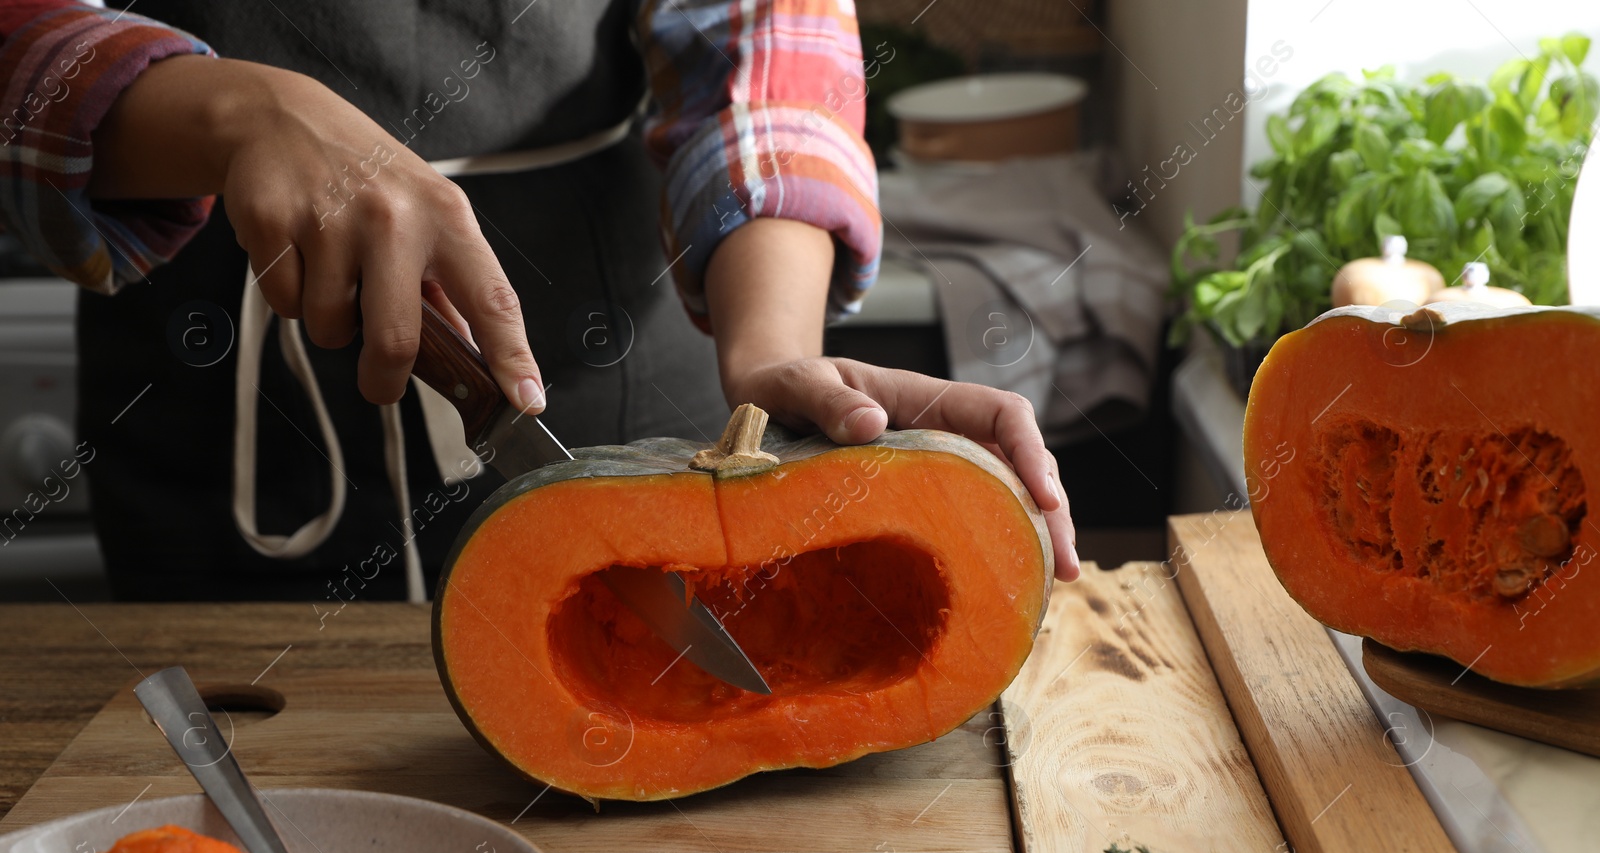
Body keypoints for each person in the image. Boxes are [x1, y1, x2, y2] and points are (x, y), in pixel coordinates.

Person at [0, 0, 1077, 604]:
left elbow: (762, 27)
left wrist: (771, 351)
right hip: (219, 381)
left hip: (608, 376)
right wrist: (232, 109)